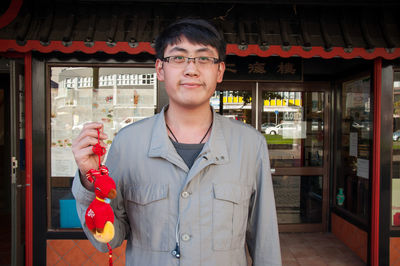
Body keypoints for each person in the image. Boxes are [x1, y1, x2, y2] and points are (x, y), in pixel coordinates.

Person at [72, 18, 281, 266]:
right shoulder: (128, 143)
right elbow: (107, 240)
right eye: (179, 58)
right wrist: (90, 178)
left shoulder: (249, 144)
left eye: (204, 58)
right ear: (160, 69)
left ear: (220, 71)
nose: (191, 69)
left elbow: (264, 241)